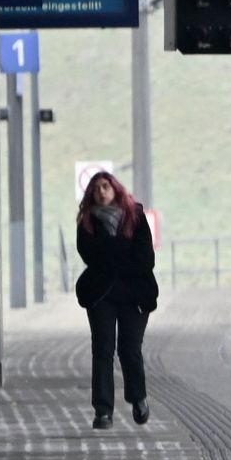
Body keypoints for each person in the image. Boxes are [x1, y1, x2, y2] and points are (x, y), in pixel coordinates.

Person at [75, 171, 160, 428]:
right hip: (102, 294)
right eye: (96, 189)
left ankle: (138, 398)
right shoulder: (87, 222)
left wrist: (112, 254)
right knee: (102, 349)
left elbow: (146, 258)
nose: (101, 192)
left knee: (129, 348)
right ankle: (103, 411)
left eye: (105, 187)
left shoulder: (135, 216)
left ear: (115, 189)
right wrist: (125, 252)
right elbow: (90, 255)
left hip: (134, 294)